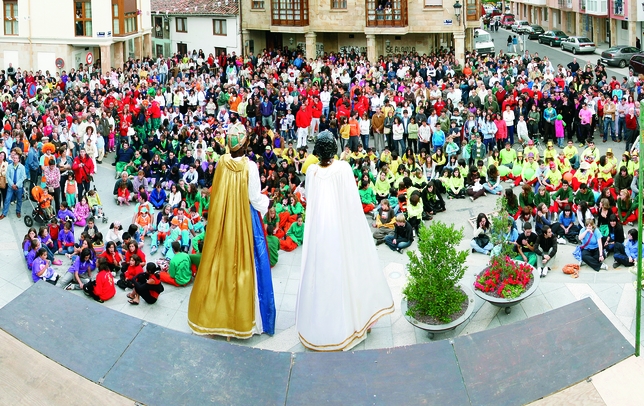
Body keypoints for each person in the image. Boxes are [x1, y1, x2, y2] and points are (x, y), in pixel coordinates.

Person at [297, 131, 394, 351]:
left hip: (319, 233)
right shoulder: (342, 169)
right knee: (347, 271)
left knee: (322, 274)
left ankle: (322, 326)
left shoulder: (311, 172)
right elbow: (351, 202)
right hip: (339, 228)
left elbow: (311, 201)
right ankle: (353, 321)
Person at [188, 119, 276, 339]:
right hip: (245, 219)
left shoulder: (222, 162)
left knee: (221, 263)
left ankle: (216, 317)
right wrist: (267, 203)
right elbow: (255, 198)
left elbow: (216, 192)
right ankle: (244, 320)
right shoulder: (250, 167)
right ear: (246, 145)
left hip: (225, 219)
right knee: (249, 265)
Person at [0, 151, 25, 220]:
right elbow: (8, 176)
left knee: (19, 200)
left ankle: (18, 211)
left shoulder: (22, 167)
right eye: (14, 158)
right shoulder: (10, 166)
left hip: (19, 187)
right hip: (11, 187)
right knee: (7, 199)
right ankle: (4, 213)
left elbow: (23, 177)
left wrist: (16, 185)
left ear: (19, 159)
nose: (15, 159)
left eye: (16, 158)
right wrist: (12, 185)